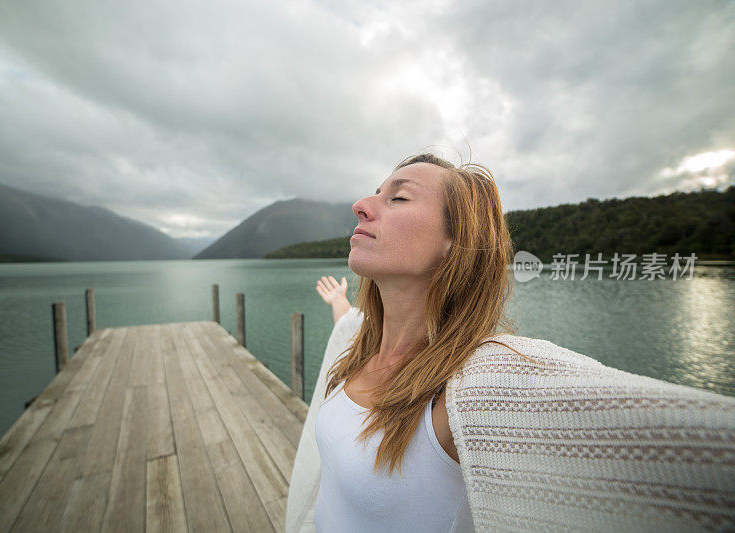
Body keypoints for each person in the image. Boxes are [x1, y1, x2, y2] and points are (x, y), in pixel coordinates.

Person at [286, 153, 735, 533]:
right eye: (375, 193)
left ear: (455, 242)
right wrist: (339, 305)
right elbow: (352, 326)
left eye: (398, 197)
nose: (361, 205)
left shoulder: (471, 388)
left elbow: (680, 439)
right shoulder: (360, 347)